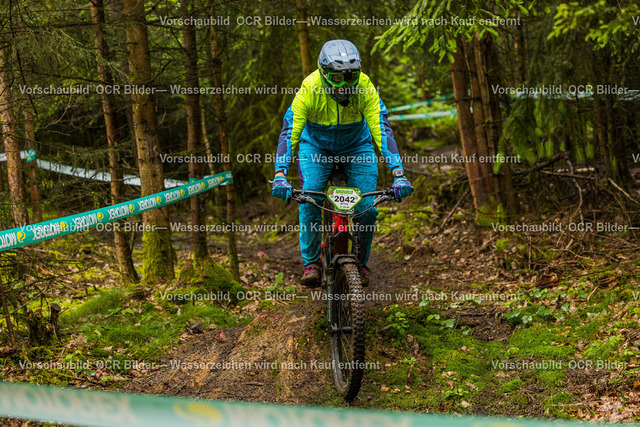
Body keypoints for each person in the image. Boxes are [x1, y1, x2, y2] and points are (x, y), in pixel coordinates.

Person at [271, 39, 413, 288]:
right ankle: (312, 262)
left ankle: (361, 262)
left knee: (368, 209)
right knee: (310, 197)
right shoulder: (310, 87)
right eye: (337, 78)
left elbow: (381, 129)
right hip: (316, 147)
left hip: (356, 147)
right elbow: (289, 131)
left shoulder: (365, 86)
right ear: (324, 73)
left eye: (350, 77)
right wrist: (280, 173)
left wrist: (398, 173)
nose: (345, 85)